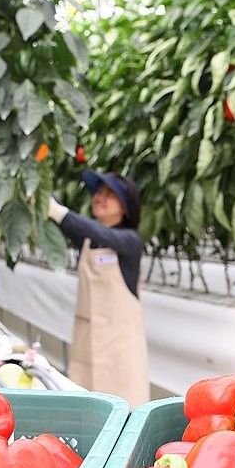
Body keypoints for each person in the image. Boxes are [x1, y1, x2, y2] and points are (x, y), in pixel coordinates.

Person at [47, 170, 149, 408]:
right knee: (88, 408)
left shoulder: (130, 241)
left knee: (124, 410)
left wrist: (58, 211)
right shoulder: (88, 239)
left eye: (109, 194)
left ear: (125, 207)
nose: (99, 198)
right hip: (88, 340)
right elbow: (76, 225)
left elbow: (97, 231)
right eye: (98, 192)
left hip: (120, 348)